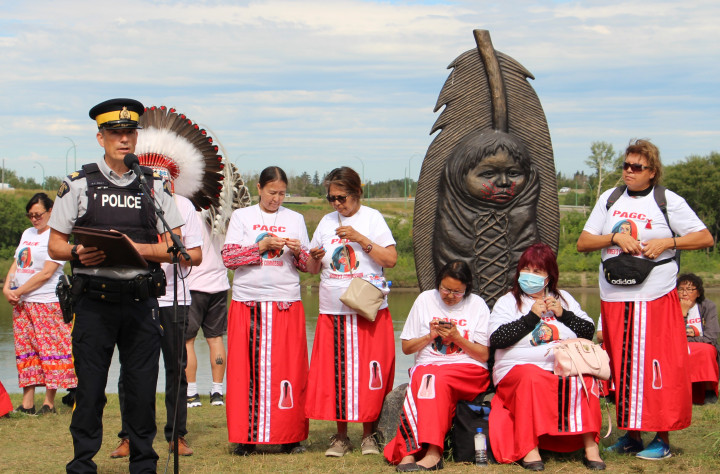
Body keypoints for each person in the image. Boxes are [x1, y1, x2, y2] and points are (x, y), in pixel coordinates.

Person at [48, 98, 184, 473]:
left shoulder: (155, 184)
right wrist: (76, 251)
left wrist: (136, 249)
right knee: (90, 392)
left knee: (141, 393)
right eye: (115, 133)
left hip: (141, 304)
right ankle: (82, 464)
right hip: (94, 304)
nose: (123, 140)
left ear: (136, 137)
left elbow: (176, 247)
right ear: (100, 138)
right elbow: (55, 243)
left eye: (129, 133)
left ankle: (144, 465)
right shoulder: (78, 185)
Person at [577, 139, 714, 460]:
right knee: (623, 368)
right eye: (625, 165)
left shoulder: (667, 201)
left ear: (652, 172)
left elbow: (704, 236)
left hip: (652, 296)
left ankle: (661, 439)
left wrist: (669, 241)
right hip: (614, 296)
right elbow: (584, 242)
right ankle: (631, 435)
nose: (628, 172)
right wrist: (614, 236)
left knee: (657, 367)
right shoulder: (609, 199)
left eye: (636, 167)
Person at [306, 166, 398, 457]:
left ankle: (369, 435)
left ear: (357, 193)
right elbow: (310, 270)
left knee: (370, 372)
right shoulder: (325, 221)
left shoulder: (371, 218)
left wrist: (360, 238)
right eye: (331, 198)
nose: (336, 204)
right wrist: (313, 257)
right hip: (333, 309)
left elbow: (391, 259)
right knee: (337, 374)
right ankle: (341, 437)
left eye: (341, 198)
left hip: (366, 309)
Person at [489, 243, 604, 471]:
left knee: (586, 380)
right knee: (531, 375)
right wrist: (530, 318)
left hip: (564, 365)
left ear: (549, 277)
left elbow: (588, 331)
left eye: (537, 272)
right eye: (526, 269)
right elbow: (498, 339)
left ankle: (591, 448)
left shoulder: (564, 299)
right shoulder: (508, 302)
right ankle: (529, 449)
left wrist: (563, 314)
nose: (529, 276)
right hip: (518, 369)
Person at [222, 166, 311, 455]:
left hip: (286, 301)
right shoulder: (242, 217)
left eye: (282, 193)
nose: (276, 199)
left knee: (289, 370)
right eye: (272, 192)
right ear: (259, 188)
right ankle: (246, 437)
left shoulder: (295, 219)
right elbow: (229, 258)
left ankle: (290, 435)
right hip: (249, 302)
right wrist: (260, 246)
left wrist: (299, 252)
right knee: (245, 371)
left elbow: (307, 265)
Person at [110, 188, 203, 459]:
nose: (160, 177)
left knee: (176, 368)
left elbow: (194, 256)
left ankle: (177, 435)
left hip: (174, 298)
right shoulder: (129, 201)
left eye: (165, 173)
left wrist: (159, 250)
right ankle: (129, 435)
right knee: (131, 369)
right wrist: (157, 251)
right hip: (135, 296)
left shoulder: (184, 205)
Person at [383, 260, 491, 471]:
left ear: (467, 289)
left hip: (467, 369)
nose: (450, 296)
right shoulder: (425, 300)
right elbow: (406, 347)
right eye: (446, 289)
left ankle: (432, 452)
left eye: (457, 292)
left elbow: (483, 354)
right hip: (429, 366)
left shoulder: (477, 305)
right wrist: (430, 336)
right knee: (425, 379)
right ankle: (410, 453)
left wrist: (457, 338)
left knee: (432, 380)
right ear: (438, 284)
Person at [3, 192, 76, 415]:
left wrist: (20, 290)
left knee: (50, 350)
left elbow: (47, 273)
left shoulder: (57, 238)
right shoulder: (27, 233)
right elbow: (17, 263)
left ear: (51, 211)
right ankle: (27, 403)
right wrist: (8, 287)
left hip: (47, 302)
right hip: (22, 304)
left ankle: (49, 402)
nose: (34, 219)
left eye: (38, 215)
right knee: (27, 351)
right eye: (30, 215)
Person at [185, 215, 229, 408]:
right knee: (216, 338)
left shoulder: (189, 211)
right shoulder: (223, 213)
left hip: (194, 284)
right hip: (219, 284)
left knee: (187, 340)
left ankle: (191, 393)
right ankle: (217, 391)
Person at [677, 273, 719, 404]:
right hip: (677, 345)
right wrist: (683, 313)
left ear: (698, 293)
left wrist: (687, 341)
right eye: (681, 289)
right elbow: (672, 336)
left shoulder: (708, 306)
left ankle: (708, 391)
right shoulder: (670, 307)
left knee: (706, 351)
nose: (685, 293)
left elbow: (711, 336)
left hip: (703, 344)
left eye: (689, 289)